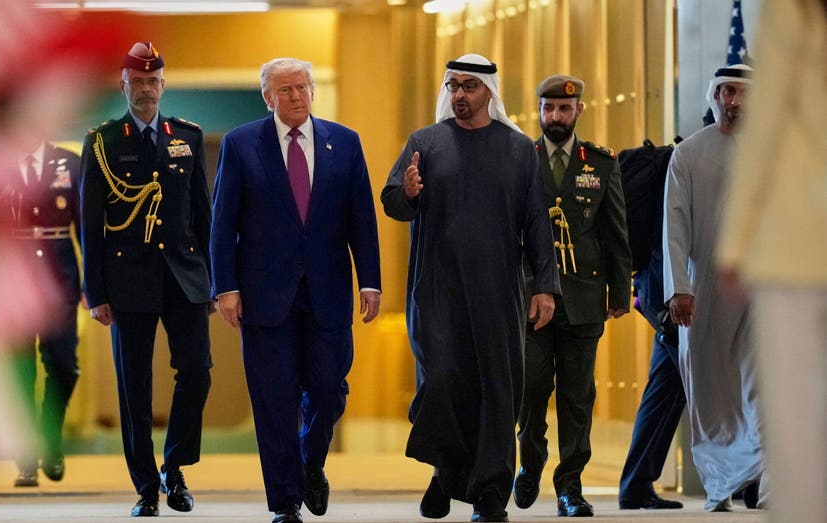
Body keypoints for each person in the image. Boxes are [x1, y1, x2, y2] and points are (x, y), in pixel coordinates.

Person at [382, 54, 558, 523]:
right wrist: (409, 192)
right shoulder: (425, 142)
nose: (460, 94)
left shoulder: (519, 149)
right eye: (453, 86)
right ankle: (445, 472)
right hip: (436, 290)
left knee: (497, 388)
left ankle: (490, 494)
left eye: (469, 86)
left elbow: (536, 222)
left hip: (498, 291)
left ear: (489, 92)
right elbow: (392, 201)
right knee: (442, 381)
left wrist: (545, 286)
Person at [210, 57, 381, 523]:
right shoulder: (241, 144)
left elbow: (361, 218)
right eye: (285, 90)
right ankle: (285, 502)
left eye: (303, 87)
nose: (297, 96)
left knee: (328, 387)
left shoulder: (344, 142)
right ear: (268, 97)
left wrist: (370, 281)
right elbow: (223, 222)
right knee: (274, 399)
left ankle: (310, 460)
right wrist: (225, 287)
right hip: (264, 295)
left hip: (328, 290)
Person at [80, 42, 213, 517]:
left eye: (153, 81)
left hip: (184, 277)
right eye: (137, 82)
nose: (146, 90)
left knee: (196, 371)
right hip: (128, 279)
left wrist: (213, 281)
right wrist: (95, 292)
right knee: (133, 388)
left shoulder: (187, 137)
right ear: (124, 85)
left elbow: (203, 214)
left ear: (163, 84)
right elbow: (89, 223)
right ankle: (146, 489)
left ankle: (174, 467)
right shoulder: (103, 142)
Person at [717, 3, 825, 522]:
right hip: (794, 245)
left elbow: (768, 126)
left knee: (795, 424)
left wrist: (736, 244)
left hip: (794, 241)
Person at [515, 74, 632, 518]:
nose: (555, 116)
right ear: (539, 110)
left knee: (577, 397)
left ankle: (570, 486)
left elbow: (615, 231)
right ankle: (531, 460)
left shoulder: (599, 163)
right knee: (531, 387)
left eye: (564, 108)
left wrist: (620, 291)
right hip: (531, 298)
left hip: (584, 296)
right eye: (548, 108)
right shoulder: (521, 159)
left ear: (579, 110)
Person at [663, 64, 767, 512]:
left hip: (760, 289)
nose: (734, 101)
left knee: (762, 386)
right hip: (703, 289)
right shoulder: (688, 154)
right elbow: (675, 227)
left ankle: (764, 482)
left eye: (741, 93)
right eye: (726, 92)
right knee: (710, 393)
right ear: (715, 96)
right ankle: (720, 485)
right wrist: (679, 288)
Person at [7, 141, 82, 488]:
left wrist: (93, 284)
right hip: (14, 280)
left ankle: (50, 439)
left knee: (64, 364)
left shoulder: (69, 163)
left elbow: (85, 226)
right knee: (21, 369)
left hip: (59, 278)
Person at [616, 142, 685, 511]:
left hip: (655, 286)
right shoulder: (689, 162)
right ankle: (745, 479)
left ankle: (636, 482)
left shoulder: (679, 161)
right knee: (688, 382)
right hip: (667, 291)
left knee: (668, 383)